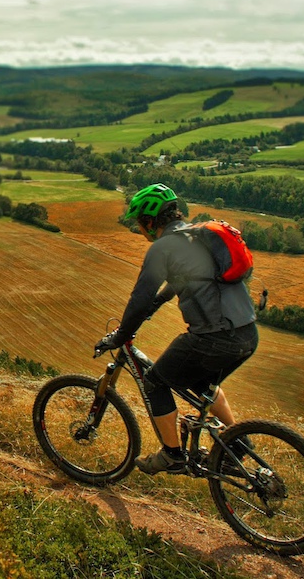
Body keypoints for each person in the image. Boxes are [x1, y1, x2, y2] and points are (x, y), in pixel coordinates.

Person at [95, 183, 258, 475]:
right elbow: (180, 282)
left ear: (148, 221)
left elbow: (139, 296)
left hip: (213, 338)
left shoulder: (164, 247)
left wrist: (120, 335)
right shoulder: (196, 237)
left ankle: (172, 455)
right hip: (247, 334)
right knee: (201, 383)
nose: (139, 229)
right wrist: (156, 306)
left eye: (138, 223)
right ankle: (236, 443)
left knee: (155, 381)